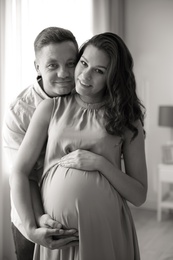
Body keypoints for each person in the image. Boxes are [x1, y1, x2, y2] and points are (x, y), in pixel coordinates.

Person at [10, 32, 148, 260]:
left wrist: (100, 164)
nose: (85, 75)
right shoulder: (50, 108)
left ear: (112, 77)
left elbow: (139, 195)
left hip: (106, 230)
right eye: (84, 63)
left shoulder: (126, 119)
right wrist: (33, 226)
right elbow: (20, 172)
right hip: (58, 234)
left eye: (99, 71)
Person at [3, 26, 79, 260]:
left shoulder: (87, 98)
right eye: (52, 65)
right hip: (30, 222)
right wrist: (33, 226)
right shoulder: (19, 112)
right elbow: (23, 175)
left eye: (71, 63)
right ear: (37, 67)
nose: (64, 73)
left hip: (77, 221)